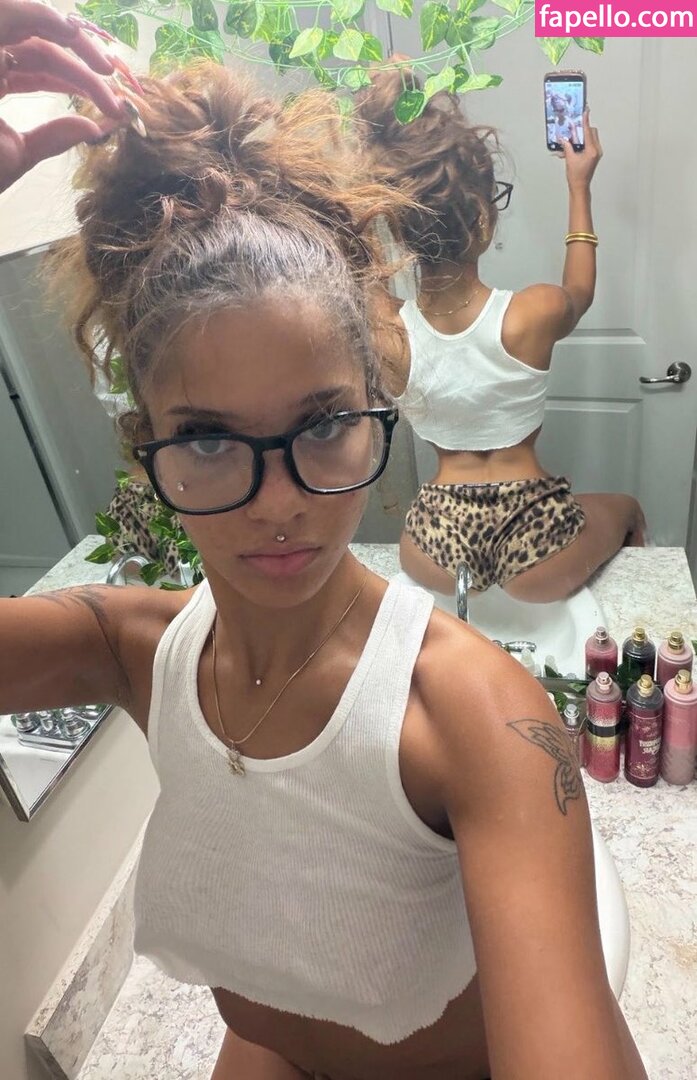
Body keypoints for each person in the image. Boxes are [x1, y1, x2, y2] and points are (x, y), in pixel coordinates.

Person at [2, 47, 649, 1077]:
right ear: (144, 443)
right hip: (272, 1044)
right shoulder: (133, 647)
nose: (278, 505)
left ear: (376, 407)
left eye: (323, 425)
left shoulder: (475, 718)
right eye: (206, 438)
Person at [355, 61, 646, 603]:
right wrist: (578, 183)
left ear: (396, 225)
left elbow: (357, 260)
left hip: (433, 546)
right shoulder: (532, 313)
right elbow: (580, 289)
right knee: (627, 508)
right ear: (484, 219)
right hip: (540, 541)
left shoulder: (386, 332)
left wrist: (373, 192)